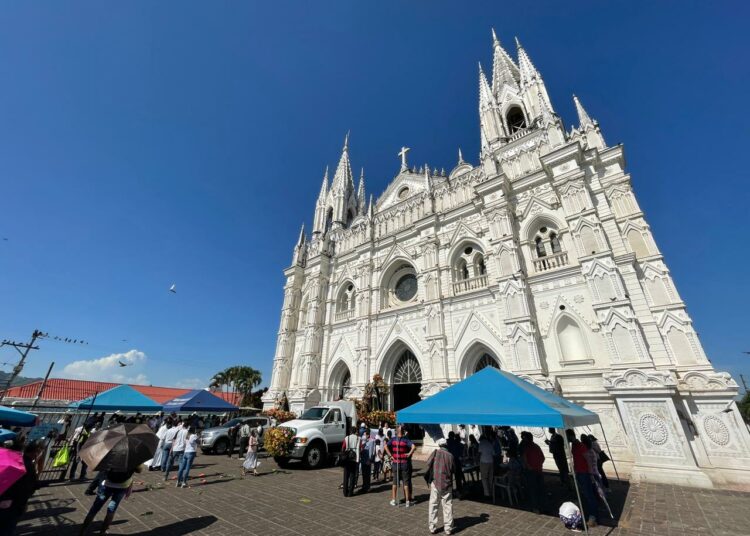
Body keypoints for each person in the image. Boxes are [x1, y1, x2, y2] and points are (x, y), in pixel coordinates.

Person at [79, 464, 144, 535]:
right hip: (122, 486)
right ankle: (102, 532)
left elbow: (102, 468)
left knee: (94, 509)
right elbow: (139, 470)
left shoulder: (111, 454)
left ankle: (83, 531)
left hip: (107, 484)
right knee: (111, 509)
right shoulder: (132, 457)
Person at [0, 442, 40, 536]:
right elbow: (27, 488)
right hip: (12, 505)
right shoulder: (22, 466)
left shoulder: (4, 460)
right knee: (6, 529)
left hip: (7, 501)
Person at [567, 429, 599, 528]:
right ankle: (589, 510)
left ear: (571, 436)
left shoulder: (581, 446)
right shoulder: (574, 445)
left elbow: (588, 460)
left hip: (585, 473)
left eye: (567, 437)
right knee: (585, 492)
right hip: (579, 472)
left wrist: (590, 473)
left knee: (589, 494)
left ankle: (593, 516)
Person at [426, 438, 455, 535]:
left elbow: (428, 463)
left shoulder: (435, 453)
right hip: (447, 483)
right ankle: (448, 529)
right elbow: (453, 469)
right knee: (447, 506)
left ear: (439, 445)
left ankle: (432, 527)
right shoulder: (451, 456)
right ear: (446, 445)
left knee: (433, 505)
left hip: (436, 482)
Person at [384, 425, 416, 507]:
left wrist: (390, 455)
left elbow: (385, 446)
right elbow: (413, 446)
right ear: (403, 432)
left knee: (395, 482)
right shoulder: (406, 440)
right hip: (404, 463)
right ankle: (407, 501)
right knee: (406, 483)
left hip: (396, 463)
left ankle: (394, 499)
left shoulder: (393, 439)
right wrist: (409, 453)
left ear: (396, 431)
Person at [520, 431, 546, 514]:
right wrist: (539, 465)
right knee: (540, 489)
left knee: (532, 490)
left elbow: (524, 460)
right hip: (539, 470)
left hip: (532, 471)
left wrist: (528, 467)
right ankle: (542, 506)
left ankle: (536, 507)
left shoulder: (527, 448)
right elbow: (543, 458)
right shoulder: (536, 446)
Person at [341, 426, 360, 497]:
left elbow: (343, 447)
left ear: (350, 431)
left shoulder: (346, 438)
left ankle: (345, 492)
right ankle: (350, 492)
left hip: (347, 459)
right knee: (352, 476)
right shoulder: (358, 438)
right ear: (355, 431)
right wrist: (358, 459)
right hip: (354, 459)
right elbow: (359, 449)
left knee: (346, 476)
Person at [478, 433, 495, 500]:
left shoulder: (481, 444)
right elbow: (493, 453)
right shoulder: (490, 443)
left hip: (484, 462)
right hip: (491, 461)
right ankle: (491, 492)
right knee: (490, 477)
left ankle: (487, 494)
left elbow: (479, 453)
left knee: (484, 478)